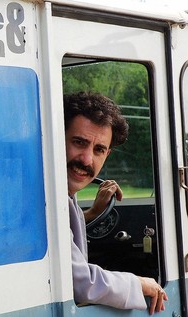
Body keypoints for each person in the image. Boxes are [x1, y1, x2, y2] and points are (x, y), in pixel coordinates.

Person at [64, 91, 167, 314]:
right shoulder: (40, 200)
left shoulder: (65, 197)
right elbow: (80, 282)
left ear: (107, 154)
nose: (86, 159)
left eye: (98, 149)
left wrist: (91, 213)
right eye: (79, 142)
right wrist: (139, 283)